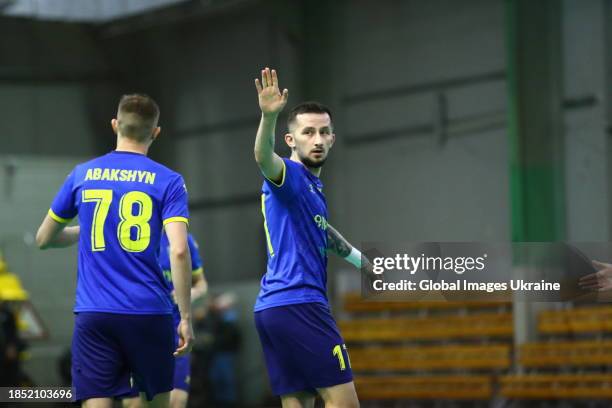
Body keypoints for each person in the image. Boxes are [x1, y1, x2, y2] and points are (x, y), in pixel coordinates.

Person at [36, 94, 194, 408]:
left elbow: (44, 238)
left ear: (114, 126)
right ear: (156, 132)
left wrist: (87, 230)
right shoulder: (169, 181)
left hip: (95, 314)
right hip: (150, 313)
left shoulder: (82, 174)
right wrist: (186, 317)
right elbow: (178, 250)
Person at [252, 67, 370, 408]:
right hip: (300, 302)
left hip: (272, 309)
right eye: (307, 132)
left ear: (332, 138)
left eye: (323, 132)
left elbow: (322, 230)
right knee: (344, 402)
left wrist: (360, 261)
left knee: (298, 403)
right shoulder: (289, 176)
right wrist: (268, 117)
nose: (316, 140)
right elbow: (263, 158)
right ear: (291, 140)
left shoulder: (312, 187)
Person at [123, 232, 207, 408]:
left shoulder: (182, 238)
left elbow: (201, 284)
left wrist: (188, 294)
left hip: (175, 329)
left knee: (177, 401)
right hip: (140, 328)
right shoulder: (131, 232)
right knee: (135, 403)